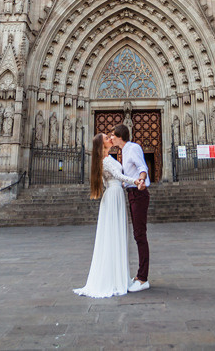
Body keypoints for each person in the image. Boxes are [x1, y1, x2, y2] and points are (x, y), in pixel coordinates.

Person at [73, 133, 137, 298]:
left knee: (111, 236)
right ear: (103, 146)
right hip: (114, 195)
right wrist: (136, 181)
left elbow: (109, 180)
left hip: (112, 195)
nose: (110, 137)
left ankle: (115, 276)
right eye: (107, 138)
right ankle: (116, 279)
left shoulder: (101, 162)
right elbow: (118, 176)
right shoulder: (106, 161)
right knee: (115, 236)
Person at [110, 123, 150, 292]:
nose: (111, 137)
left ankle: (143, 278)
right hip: (132, 194)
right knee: (137, 234)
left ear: (119, 137)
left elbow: (142, 167)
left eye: (112, 135)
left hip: (138, 193)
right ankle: (141, 275)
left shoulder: (133, 148)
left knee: (140, 235)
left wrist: (141, 180)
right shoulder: (123, 151)